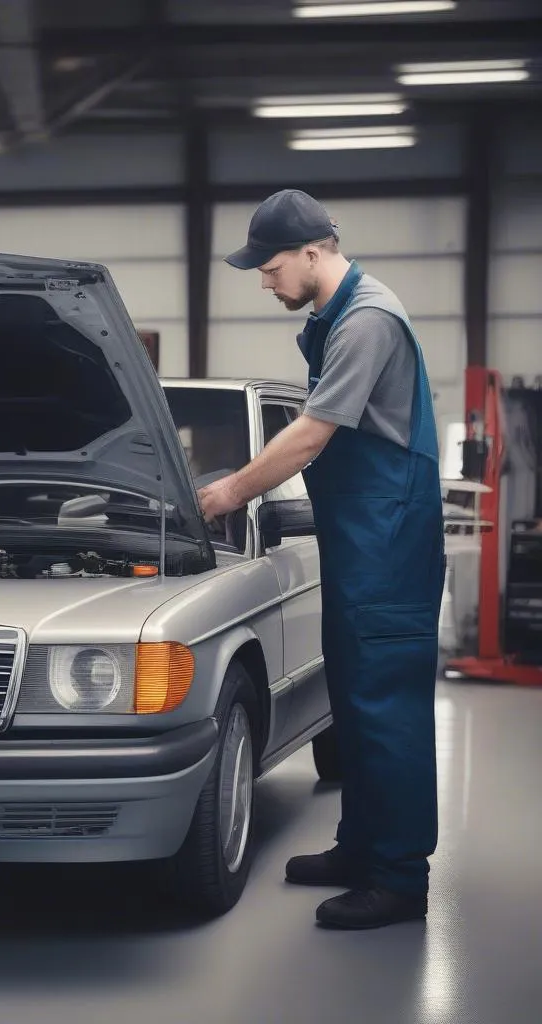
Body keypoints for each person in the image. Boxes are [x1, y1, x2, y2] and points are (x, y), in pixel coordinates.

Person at [199, 189, 446, 930]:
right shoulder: (334, 317)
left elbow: (311, 435)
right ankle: (362, 846)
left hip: (389, 546)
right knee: (356, 700)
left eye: (270, 268)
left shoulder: (367, 319)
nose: (265, 282)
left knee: (387, 709)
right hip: (360, 541)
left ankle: (399, 878)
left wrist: (231, 492)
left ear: (314, 253)